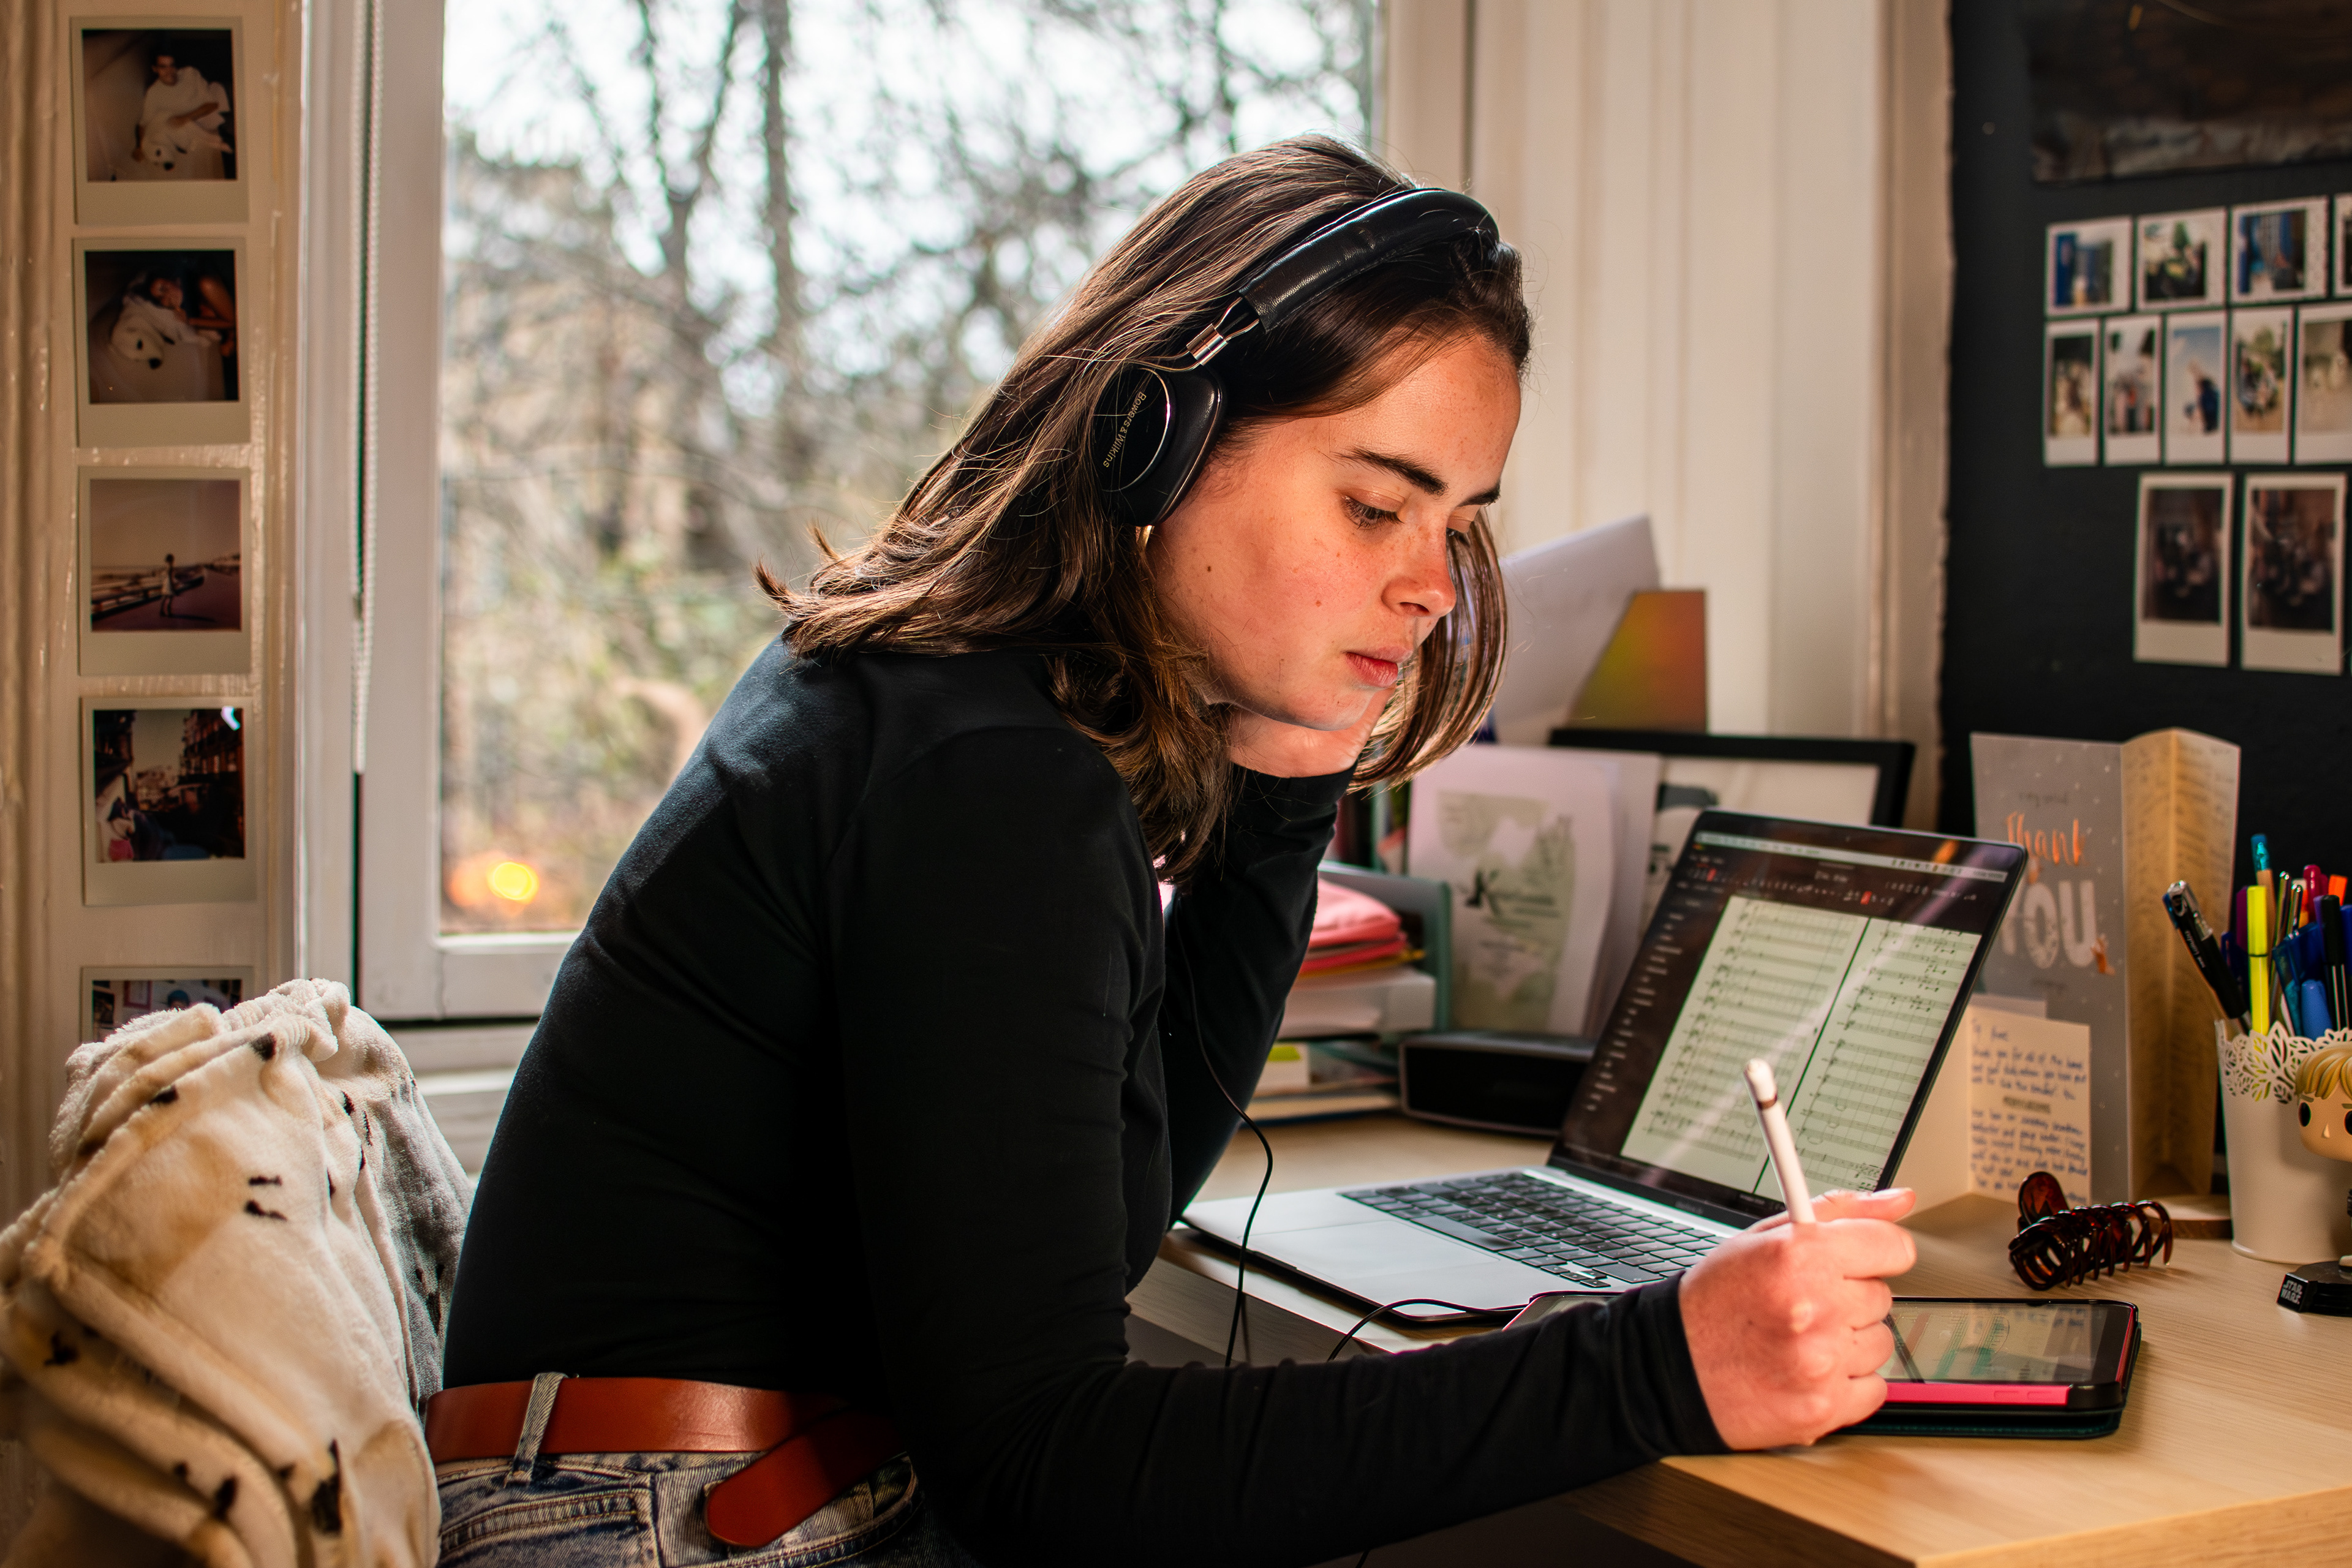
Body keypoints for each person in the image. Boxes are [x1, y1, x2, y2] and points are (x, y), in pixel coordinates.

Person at [435, 138, 1917, 1567]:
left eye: (1454, 523)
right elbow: (1050, 1469)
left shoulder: (953, 701)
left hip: (700, 1479)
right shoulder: (982, 776)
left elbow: (1107, 1217)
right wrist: (1656, 1362)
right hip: (664, 1516)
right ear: (1159, 440)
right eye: (1372, 503)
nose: (1427, 589)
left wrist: (1280, 792)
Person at [135, 50, 231, 176]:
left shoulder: (190, 74)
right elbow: (144, 123)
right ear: (155, 69)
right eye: (163, 67)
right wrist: (140, 147)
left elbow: (213, 105)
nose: (169, 70)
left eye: (172, 65)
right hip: (193, 127)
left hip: (218, 106)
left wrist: (185, 118)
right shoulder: (154, 93)